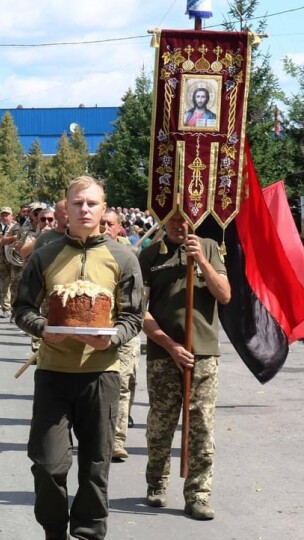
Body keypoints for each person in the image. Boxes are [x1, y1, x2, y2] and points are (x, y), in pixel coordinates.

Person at [13, 176, 144, 540]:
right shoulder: (45, 255)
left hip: (101, 375)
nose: (84, 209)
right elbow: (22, 307)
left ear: (104, 209)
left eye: (92, 204)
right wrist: (42, 328)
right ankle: (54, 531)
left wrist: (114, 337)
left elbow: (133, 316)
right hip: (54, 372)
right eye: (77, 203)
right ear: (65, 209)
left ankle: (88, 533)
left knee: (96, 465)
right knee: (47, 463)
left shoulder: (123, 257)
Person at [139, 212, 230, 520]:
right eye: (173, 221)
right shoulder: (151, 254)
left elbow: (225, 295)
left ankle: (198, 494)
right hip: (165, 354)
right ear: (162, 222)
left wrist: (201, 261)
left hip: (204, 354)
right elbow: (141, 312)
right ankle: (156, 482)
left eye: (185, 220)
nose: (179, 226)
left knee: (202, 424)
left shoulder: (209, 247)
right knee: (161, 423)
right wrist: (171, 345)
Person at [102, 209, 141, 462]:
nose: (105, 227)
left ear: (119, 228)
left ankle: (117, 440)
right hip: (97, 330)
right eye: (101, 223)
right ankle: (101, 434)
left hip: (125, 328)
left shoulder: (130, 256)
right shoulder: (89, 254)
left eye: (110, 224)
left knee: (125, 383)